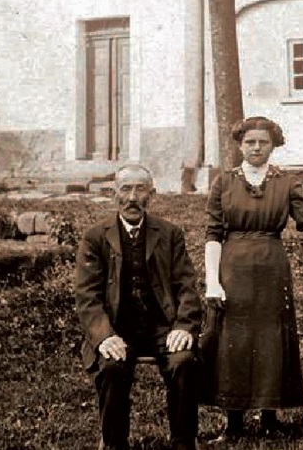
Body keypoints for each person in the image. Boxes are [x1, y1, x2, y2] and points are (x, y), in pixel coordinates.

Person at [202, 116, 303, 440]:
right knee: (234, 341)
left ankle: (270, 418)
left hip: (272, 268)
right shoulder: (223, 182)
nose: (256, 148)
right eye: (250, 142)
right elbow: (213, 234)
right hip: (233, 268)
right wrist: (213, 280)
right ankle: (233, 423)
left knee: (271, 339)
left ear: (273, 145)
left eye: (263, 142)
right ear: (240, 145)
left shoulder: (287, 182)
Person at [74, 164, 202, 450]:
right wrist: (104, 336)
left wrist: (184, 326)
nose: (132, 197)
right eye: (125, 189)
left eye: (140, 189)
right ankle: (114, 444)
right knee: (111, 366)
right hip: (117, 328)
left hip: (162, 327)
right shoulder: (95, 237)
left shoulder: (169, 234)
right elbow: (87, 296)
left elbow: (187, 287)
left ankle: (183, 443)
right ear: (114, 194)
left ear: (151, 195)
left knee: (183, 361)